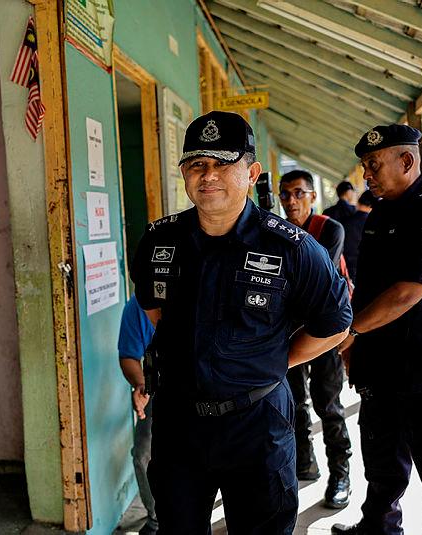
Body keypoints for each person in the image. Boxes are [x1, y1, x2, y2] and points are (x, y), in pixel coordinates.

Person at [130, 111, 352, 534]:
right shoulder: (160, 240)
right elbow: (155, 308)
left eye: (222, 163)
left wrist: (275, 360)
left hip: (257, 426)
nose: (207, 175)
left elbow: (335, 323)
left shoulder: (291, 247)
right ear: (184, 173)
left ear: (251, 172)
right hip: (180, 426)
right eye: (197, 164)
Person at [332, 125, 422, 535]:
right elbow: (369, 287)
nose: (367, 175)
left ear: (407, 161)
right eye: (365, 166)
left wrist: (350, 333)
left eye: (374, 165)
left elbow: (406, 293)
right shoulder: (380, 215)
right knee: (383, 474)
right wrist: (355, 350)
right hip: (382, 372)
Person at [279, 170, 352, 509]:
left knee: (329, 404)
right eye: (285, 195)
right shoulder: (275, 233)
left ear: (311, 196)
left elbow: (315, 278)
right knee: (293, 405)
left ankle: (341, 473)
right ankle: (304, 464)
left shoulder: (329, 228)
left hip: (324, 334)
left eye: (298, 193)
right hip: (290, 334)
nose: (291, 201)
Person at [118, 294, 157, 535]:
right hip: (159, 388)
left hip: (215, 388)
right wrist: (141, 386)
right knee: (143, 453)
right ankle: (156, 518)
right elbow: (129, 356)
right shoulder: (139, 305)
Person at [341, 190, 375, 281]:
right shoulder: (375, 224)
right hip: (369, 272)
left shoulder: (344, 222)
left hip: (347, 271)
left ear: (359, 202)